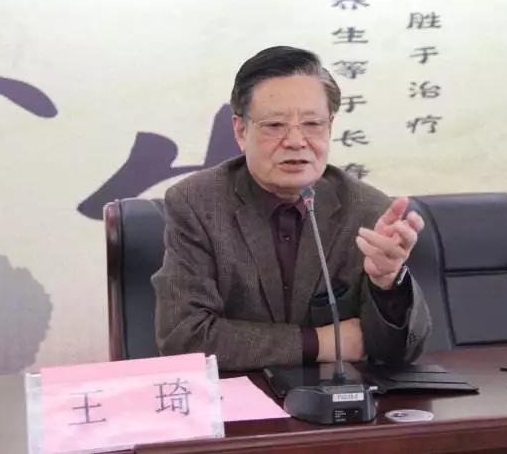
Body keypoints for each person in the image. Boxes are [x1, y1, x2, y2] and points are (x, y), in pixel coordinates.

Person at [152, 46, 431, 371]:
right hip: (239, 397)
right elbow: (184, 337)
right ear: (241, 131)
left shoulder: (368, 211)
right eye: (275, 125)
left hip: (337, 398)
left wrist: (387, 283)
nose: (297, 141)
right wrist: (322, 342)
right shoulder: (197, 204)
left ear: (330, 127)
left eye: (312, 123)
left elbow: (400, 352)